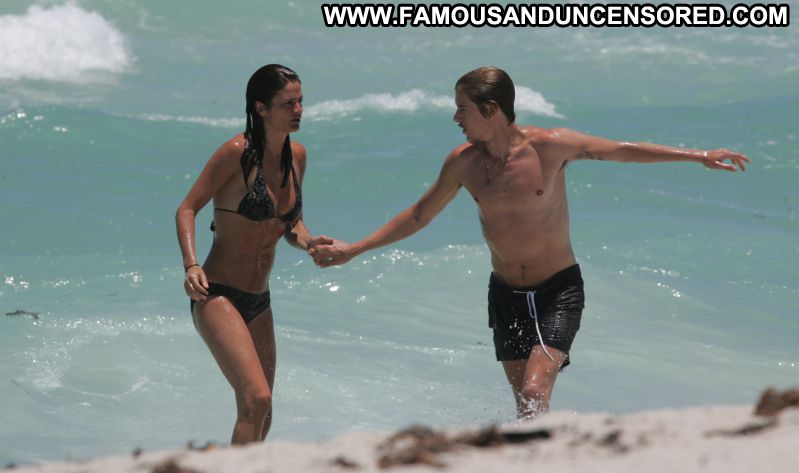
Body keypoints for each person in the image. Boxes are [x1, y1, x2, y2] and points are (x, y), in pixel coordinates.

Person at [308, 66, 749, 419]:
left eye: (462, 109)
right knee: (525, 403)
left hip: (558, 290)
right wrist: (354, 249)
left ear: (491, 109)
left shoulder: (549, 147)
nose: (456, 119)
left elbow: (619, 150)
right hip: (505, 295)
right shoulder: (463, 164)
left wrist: (698, 156)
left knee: (536, 391)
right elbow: (419, 215)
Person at [175, 64, 329, 444]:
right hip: (218, 294)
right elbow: (187, 208)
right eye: (288, 103)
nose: (298, 110)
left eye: (300, 101)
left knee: (263, 412)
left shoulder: (297, 157)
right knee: (256, 399)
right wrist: (191, 264)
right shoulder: (237, 153)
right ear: (261, 108)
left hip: (259, 300)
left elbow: (291, 224)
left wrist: (311, 244)